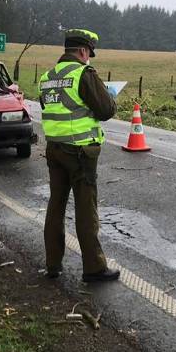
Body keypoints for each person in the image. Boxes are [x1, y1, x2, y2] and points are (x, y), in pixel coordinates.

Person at [39, 29, 119, 282]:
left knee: (56, 205)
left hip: (55, 148)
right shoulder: (83, 74)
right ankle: (94, 268)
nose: (89, 59)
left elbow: (52, 107)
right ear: (84, 52)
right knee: (86, 209)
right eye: (89, 54)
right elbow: (106, 110)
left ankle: (53, 264)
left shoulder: (48, 76)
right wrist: (110, 95)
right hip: (81, 151)